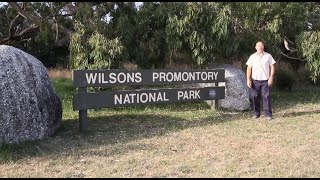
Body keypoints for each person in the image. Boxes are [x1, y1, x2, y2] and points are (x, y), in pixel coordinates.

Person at [246, 41, 276, 121]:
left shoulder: (268, 56)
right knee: (255, 97)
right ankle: (256, 114)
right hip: (255, 80)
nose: (260, 47)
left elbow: (272, 67)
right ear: (256, 47)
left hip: (265, 80)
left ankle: (268, 115)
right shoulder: (252, 57)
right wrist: (248, 79)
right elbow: (249, 68)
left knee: (266, 97)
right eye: (258, 46)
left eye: (262, 46)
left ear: (263, 47)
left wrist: (271, 77)